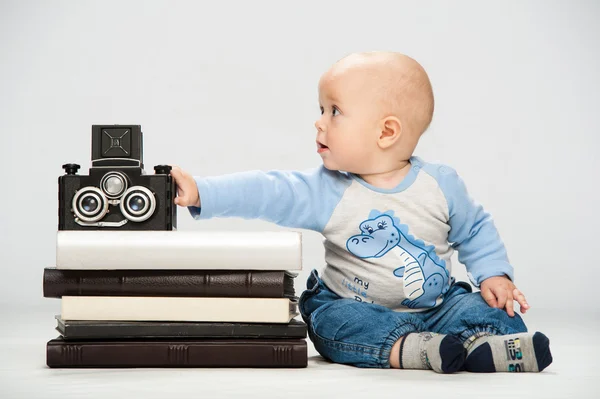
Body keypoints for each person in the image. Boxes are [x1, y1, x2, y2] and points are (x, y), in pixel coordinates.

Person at [170, 51, 552, 373]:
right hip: (351, 306)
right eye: (321, 109)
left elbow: (474, 229)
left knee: (484, 306)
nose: (319, 121)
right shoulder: (326, 189)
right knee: (332, 323)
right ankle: (418, 350)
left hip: (436, 308)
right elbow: (268, 191)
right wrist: (204, 192)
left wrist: (495, 274)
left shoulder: (440, 184)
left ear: (386, 132)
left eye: (334, 111)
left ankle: (486, 346)